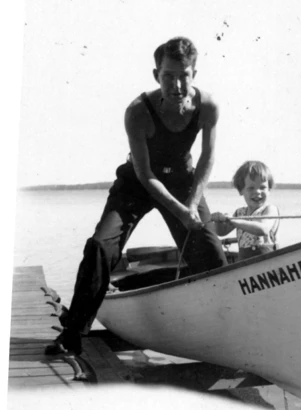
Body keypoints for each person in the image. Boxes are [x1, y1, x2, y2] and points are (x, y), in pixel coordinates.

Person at [46, 36, 227, 356]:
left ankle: (220, 328)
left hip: (183, 182)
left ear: (194, 73)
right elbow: (145, 176)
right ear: (156, 74)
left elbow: (207, 158)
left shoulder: (208, 106)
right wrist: (181, 211)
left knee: (212, 254)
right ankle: (73, 332)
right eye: (168, 76)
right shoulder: (137, 112)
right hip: (136, 184)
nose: (177, 84)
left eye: (184, 75)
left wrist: (193, 202)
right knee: (101, 246)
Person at [211, 161, 279, 260]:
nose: (257, 192)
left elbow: (263, 229)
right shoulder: (240, 213)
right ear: (241, 190)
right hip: (245, 263)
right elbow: (221, 232)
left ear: (269, 189)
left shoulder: (269, 209)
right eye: (251, 188)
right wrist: (219, 221)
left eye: (263, 187)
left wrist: (234, 221)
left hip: (268, 263)